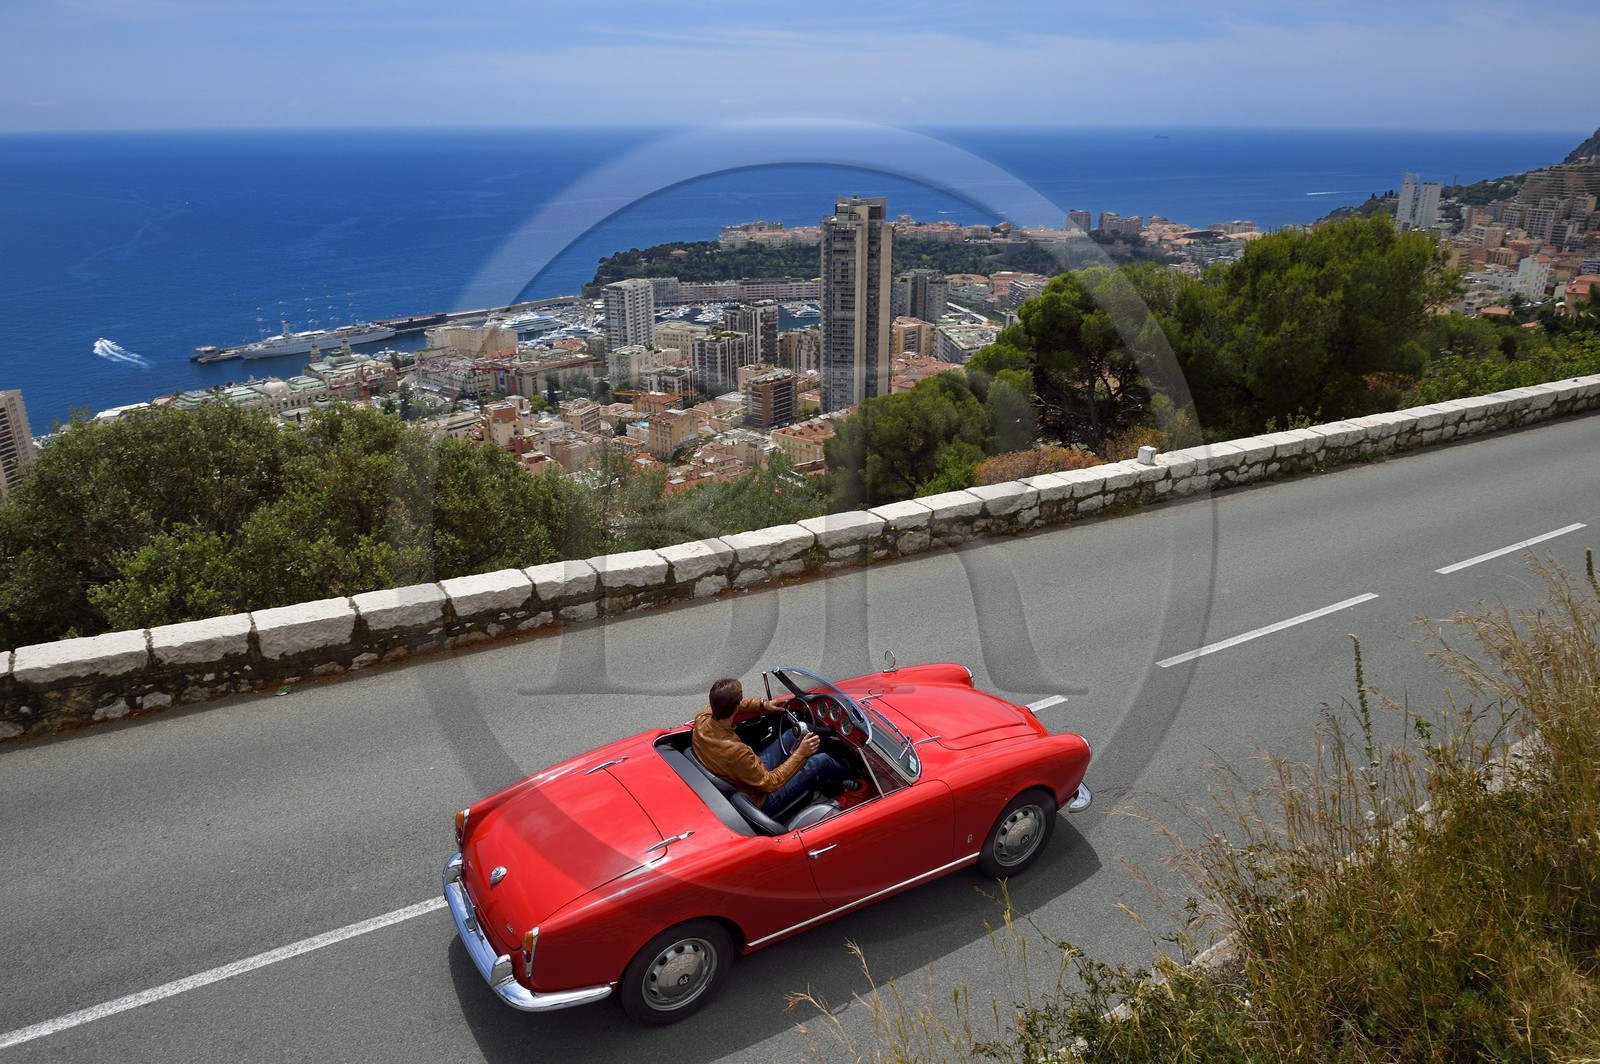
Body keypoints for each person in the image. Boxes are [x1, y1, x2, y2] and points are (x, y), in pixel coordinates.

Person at [692, 677, 855, 815]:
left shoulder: (702, 720)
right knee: (820, 761)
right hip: (761, 797)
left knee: (792, 734)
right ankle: (854, 774)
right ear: (735, 706)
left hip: (744, 775)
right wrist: (801, 754)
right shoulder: (736, 751)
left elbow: (734, 705)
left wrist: (763, 704)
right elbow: (769, 784)